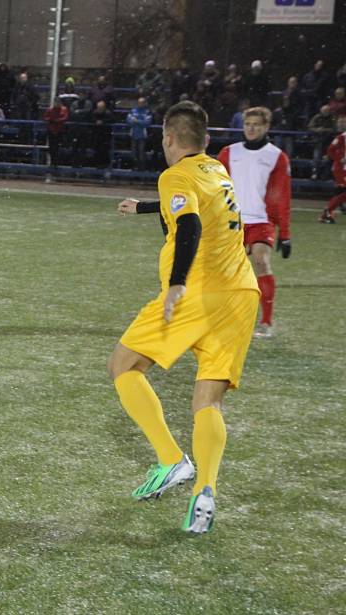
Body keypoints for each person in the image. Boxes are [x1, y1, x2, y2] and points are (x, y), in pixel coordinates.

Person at [110, 100, 259, 534]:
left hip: (197, 290)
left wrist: (177, 281)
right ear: (206, 139)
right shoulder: (217, 170)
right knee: (207, 401)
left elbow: (189, 223)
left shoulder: (174, 174)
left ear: (169, 138)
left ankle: (172, 460)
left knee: (124, 365)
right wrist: (142, 207)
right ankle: (204, 491)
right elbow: (191, 209)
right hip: (241, 293)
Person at [218, 106, 291, 338]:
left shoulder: (276, 157)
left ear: (266, 127)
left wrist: (285, 234)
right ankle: (225, 317)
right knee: (225, 272)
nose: (251, 128)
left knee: (260, 261)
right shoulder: (229, 152)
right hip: (232, 222)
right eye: (248, 124)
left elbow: (283, 196)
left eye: (256, 125)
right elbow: (216, 188)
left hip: (262, 221)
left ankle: (266, 322)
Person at [319, 114, 346, 223]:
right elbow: (330, 150)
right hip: (341, 169)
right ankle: (327, 212)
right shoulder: (342, 137)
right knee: (342, 192)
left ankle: (328, 212)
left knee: (341, 193)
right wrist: (340, 159)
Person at [126, 97, 153, 171]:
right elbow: (128, 121)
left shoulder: (147, 112)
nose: (140, 104)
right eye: (139, 102)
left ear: (144, 103)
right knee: (133, 153)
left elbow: (147, 123)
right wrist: (140, 122)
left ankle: (142, 169)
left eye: (142, 102)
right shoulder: (133, 111)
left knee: (141, 153)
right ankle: (134, 168)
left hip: (142, 136)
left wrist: (137, 121)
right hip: (133, 135)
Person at [43, 97, 68, 170]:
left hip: (60, 131)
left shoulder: (64, 109)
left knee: (58, 148)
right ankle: (52, 162)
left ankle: (57, 163)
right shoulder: (50, 109)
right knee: (51, 148)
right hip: (51, 130)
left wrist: (56, 120)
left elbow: (65, 117)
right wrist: (51, 120)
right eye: (55, 102)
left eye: (58, 102)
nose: (56, 104)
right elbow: (45, 117)